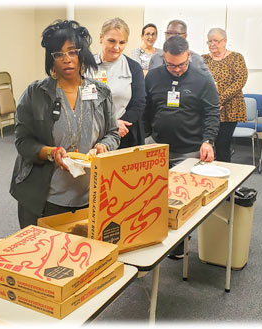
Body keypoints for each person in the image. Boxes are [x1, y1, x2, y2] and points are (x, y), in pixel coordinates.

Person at [10, 20, 120, 229]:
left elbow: (113, 133)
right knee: (43, 257)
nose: (67, 60)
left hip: (90, 195)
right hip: (45, 197)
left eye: (72, 52)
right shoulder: (35, 94)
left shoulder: (101, 93)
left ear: (82, 54)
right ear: (51, 59)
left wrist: (104, 146)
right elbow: (22, 141)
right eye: (58, 54)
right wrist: (50, 152)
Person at [145, 36, 219, 259]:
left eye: (181, 64)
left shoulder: (202, 79)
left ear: (189, 56)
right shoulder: (154, 77)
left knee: (180, 199)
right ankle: (152, 238)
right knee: (153, 196)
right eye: (171, 65)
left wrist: (209, 140)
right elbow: (146, 109)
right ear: (163, 58)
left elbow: (212, 113)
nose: (176, 70)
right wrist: (147, 137)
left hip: (188, 149)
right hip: (157, 146)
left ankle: (179, 245)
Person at [88, 17, 145, 149]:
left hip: (123, 133)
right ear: (101, 38)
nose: (116, 47)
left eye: (122, 42)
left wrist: (118, 125)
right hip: (92, 134)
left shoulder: (133, 67)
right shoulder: (86, 65)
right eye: (111, 41)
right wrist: (111, 124)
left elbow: (139, 103)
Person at [202, 28, 248, 162]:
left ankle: (223, 176)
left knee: (222, 144)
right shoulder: (203, 59)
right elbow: (197, 81)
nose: (212, 44)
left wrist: (219, 101)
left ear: (225, 41)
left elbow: (240, 81)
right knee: (206, 144)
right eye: (209, 41)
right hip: (207, 108)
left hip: (229, 108)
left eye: (215, 41)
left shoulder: (236, 58)